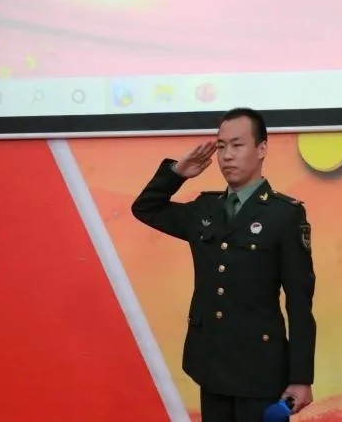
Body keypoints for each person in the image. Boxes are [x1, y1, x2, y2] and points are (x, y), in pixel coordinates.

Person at [131, 108, 316, 421]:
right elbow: (146, 208)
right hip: (211, 365)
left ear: (262, 149)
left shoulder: (284, 215)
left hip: (260, 370)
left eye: (237, 145)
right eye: (220, 146)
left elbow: (299, 303)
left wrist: (301, 377)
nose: (227, 155)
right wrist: (177, 172)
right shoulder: (205, 208)